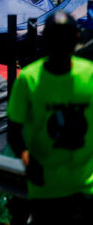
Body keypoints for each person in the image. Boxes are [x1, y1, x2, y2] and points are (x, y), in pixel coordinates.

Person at [6, 12, 93, 224]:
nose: (62, 45)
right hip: (46, 189)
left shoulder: (89, 74)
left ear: (76, 39)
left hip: (86, 188)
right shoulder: (29, 78)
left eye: (66, 38)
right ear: (47, 42)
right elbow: (14, 132)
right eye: (57, 39)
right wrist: (27, 160)